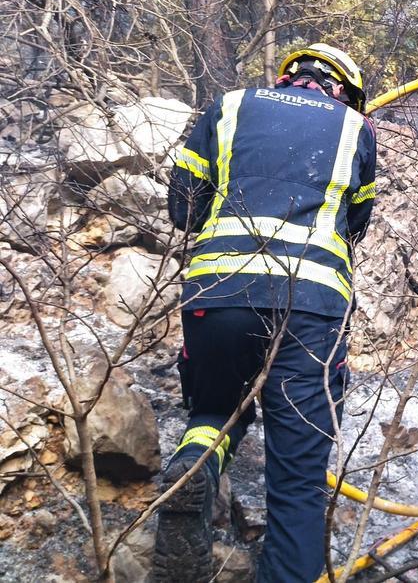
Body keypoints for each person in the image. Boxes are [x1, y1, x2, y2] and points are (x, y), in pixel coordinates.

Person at [153, 43, 377, 582]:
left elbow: (182, 208)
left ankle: (196, 465)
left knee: (215, 407)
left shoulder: (228, 106)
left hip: (219, 294)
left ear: (287, 76)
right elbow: (356, 223)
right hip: (310, 308)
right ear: (342, 89)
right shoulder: (355, 128)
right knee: (299, 482)